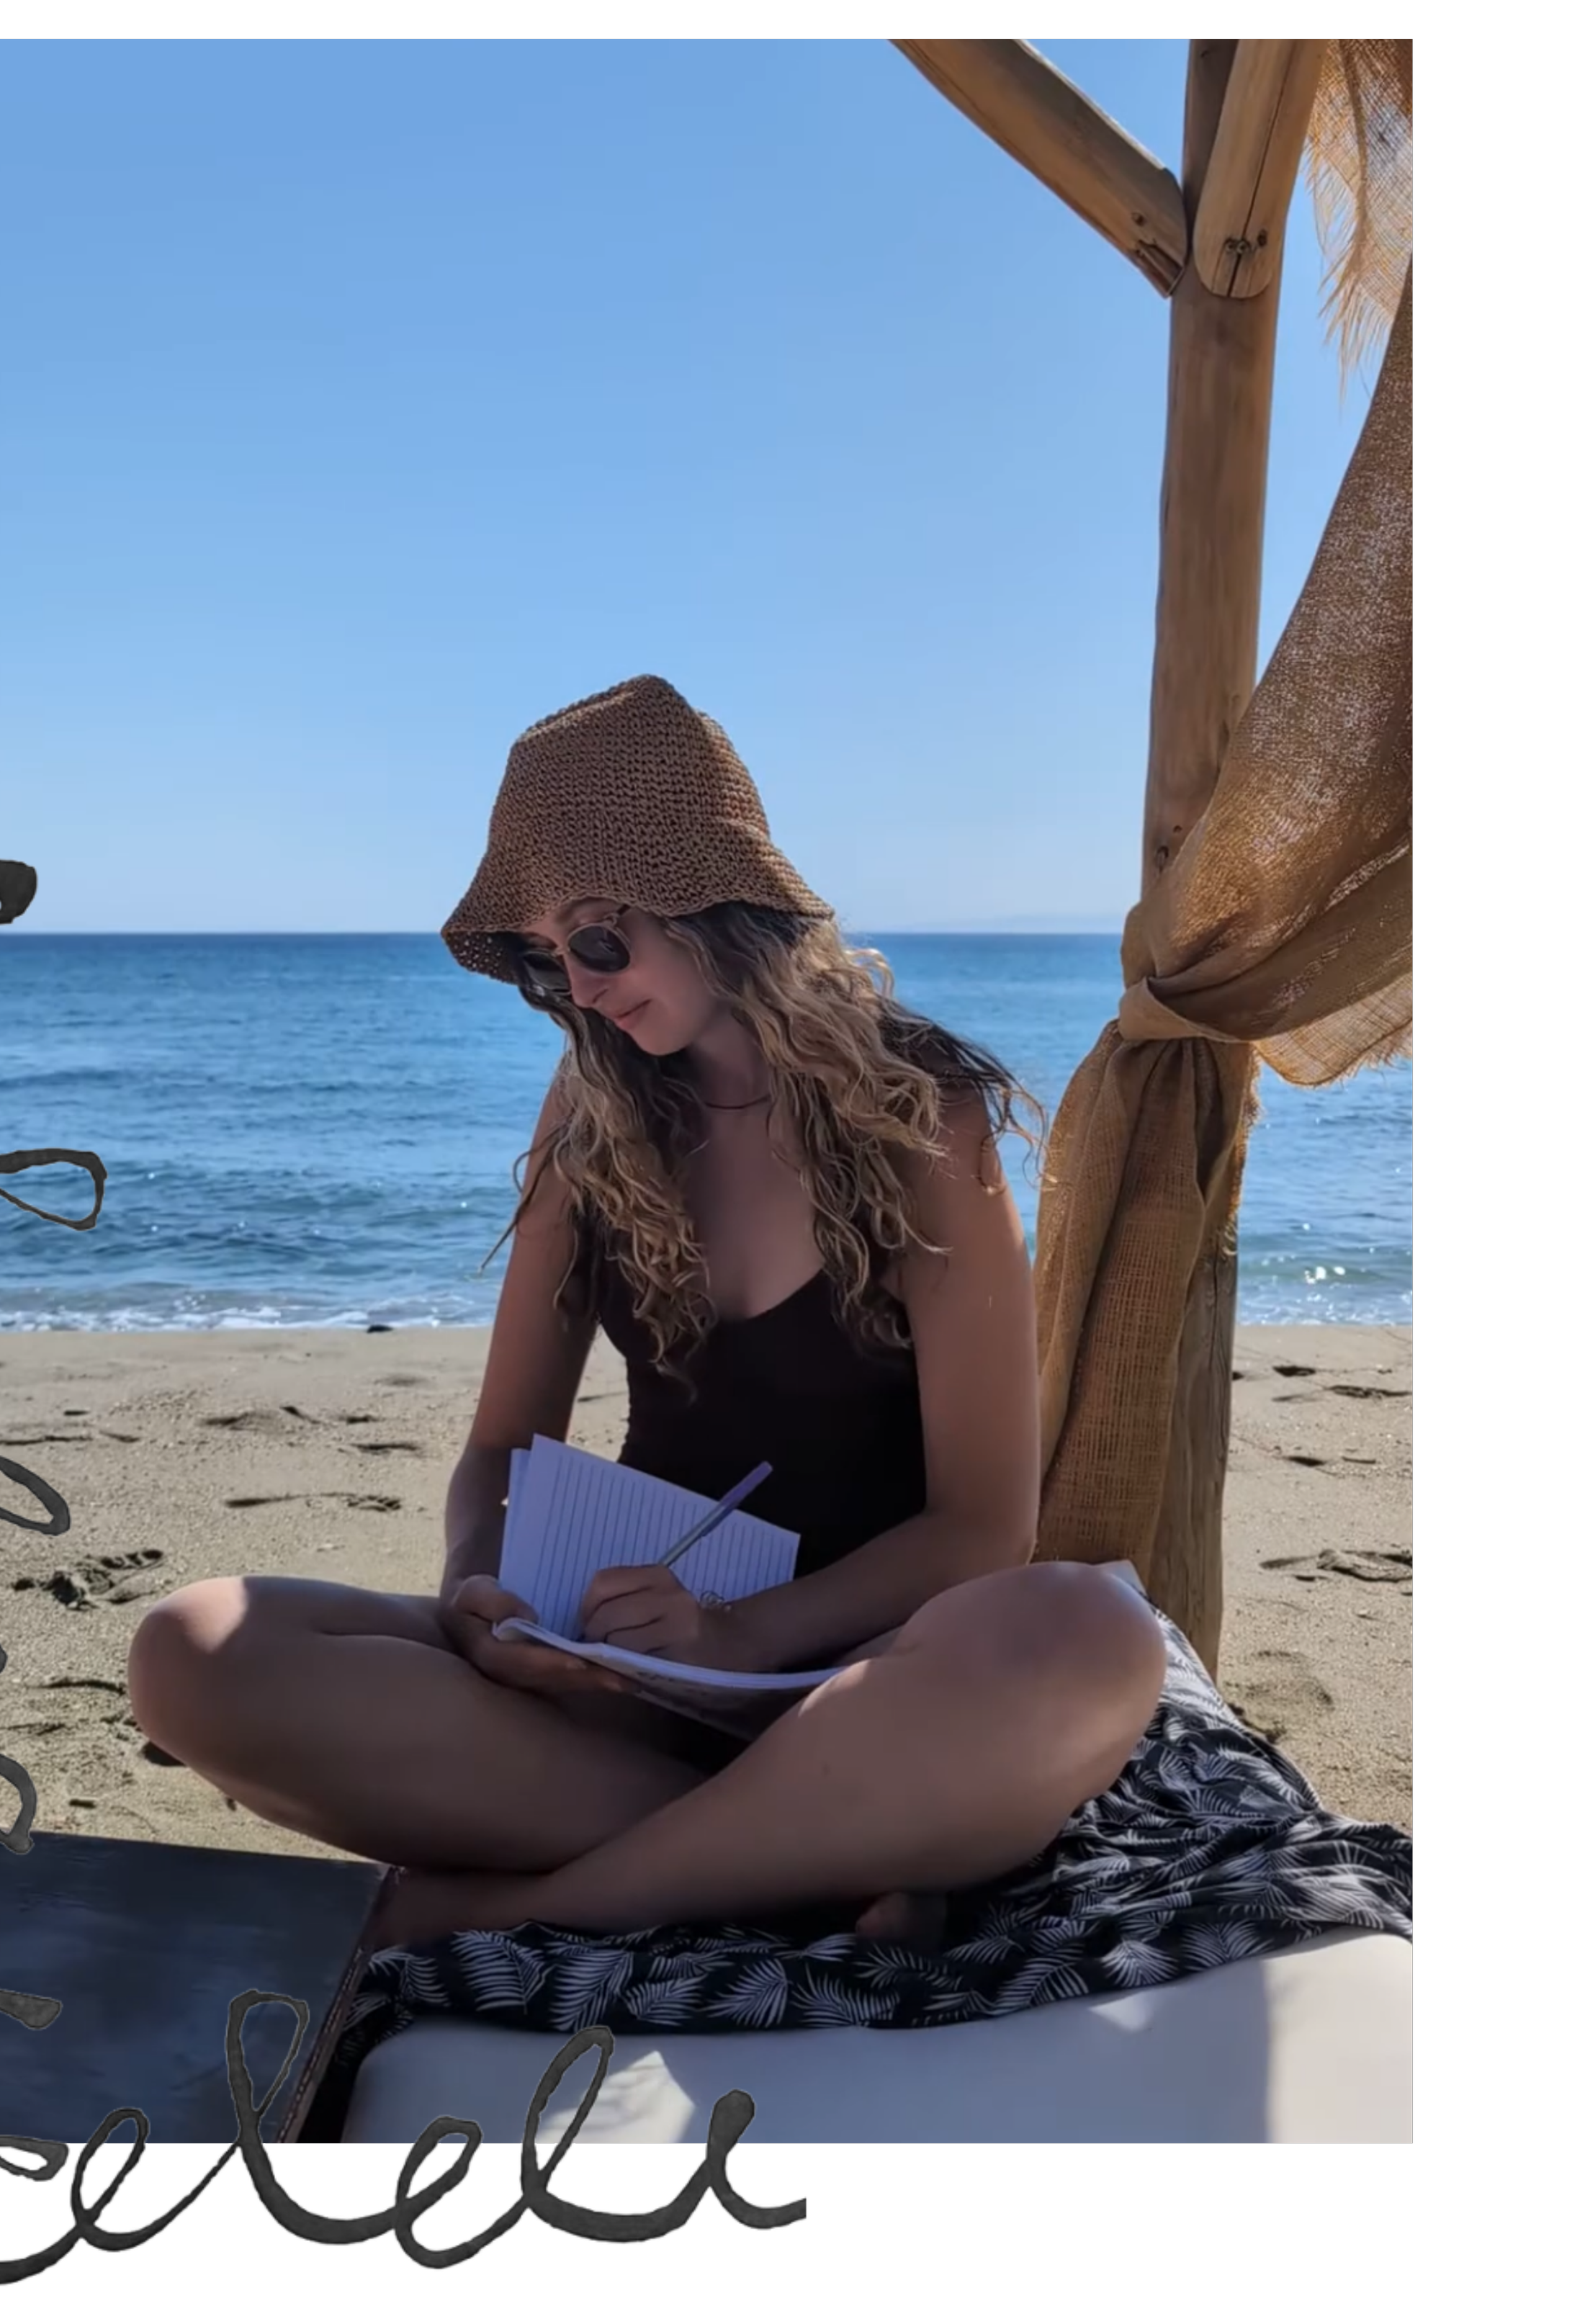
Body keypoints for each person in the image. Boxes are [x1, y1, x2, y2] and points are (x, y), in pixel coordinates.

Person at [127, 676, 1167, 1949]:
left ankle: (549, 1900)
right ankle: (796, 1863)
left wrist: (741, 1633)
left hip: (854, 1683)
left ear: (707, 897)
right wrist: (478, 1594)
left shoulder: (921, 1118)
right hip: (618, 1673)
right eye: (545, 956)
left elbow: (982, 1527)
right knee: (194, 1648)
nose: (580, 982)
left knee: (1090, 1630)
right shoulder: (594, 1114)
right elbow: (507, 1447)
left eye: (599, 937)